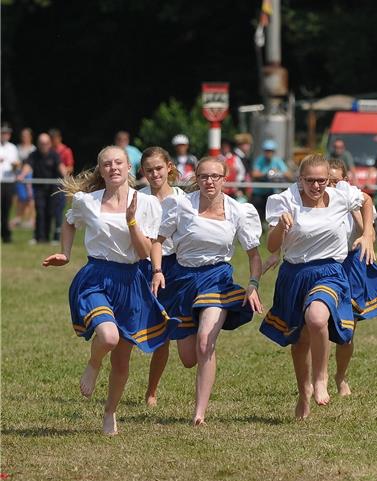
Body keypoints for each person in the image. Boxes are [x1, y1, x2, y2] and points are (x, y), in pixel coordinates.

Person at [42, 145, 177, 435]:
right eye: (107, 164)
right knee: (108, 336)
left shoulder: (148, 204)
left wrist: (131, 221)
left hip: (131, 280)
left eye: (119, 163)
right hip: (96, 276)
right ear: (101, 171)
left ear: (129, 168)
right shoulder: (86, 201)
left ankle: (109, 413)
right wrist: (65, 253)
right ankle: (93, 363)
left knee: (121, 359)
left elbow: (144, 251)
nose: (113, 167)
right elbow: (69, 223)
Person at [260, 154, 375, 419]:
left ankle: (322, 378)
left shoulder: (341, 195)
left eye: (321, 181)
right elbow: (272, 246)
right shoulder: (285, 200)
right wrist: (280, 226)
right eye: (310, 181)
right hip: (295, 274)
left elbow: (366, 200)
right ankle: (304, 394)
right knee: (300, 341)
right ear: (300, 180)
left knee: (316, 318)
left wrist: (367, 233)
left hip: (330, 271)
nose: (316, 186)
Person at [151, 156, 263, 426]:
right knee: (189, 359)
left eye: (215, 176)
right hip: (183, 279)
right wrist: (157, 271)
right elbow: (157, 241)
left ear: (225, 179)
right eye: (203, 176)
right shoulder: (179, 205)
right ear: (196, 179)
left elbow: (253, 255)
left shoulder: (239, 211)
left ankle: (199, 412)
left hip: (217, 278)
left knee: (205, 342)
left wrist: (253, 284)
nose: (209, 181)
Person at [328, 158, 377, 395]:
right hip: (326, 265)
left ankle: (341, 376)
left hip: (350, 265)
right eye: (327, 181)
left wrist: (351, 206)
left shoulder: (355, 199)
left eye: (336, 181)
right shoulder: (315, 200)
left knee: (347, 329)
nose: (331, 186)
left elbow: (369, 234)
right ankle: (318, 376)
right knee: (318, 324)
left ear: (345, 180)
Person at [138, 147, 186, 407]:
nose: (154, 174)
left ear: (168, 167)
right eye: (149, 170)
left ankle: (151, 391)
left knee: (164, 333)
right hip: (142, 266)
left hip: (174, 268)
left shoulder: (183, 200)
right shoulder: (138, 198)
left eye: (158, 168)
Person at [22, 133, 66, 244]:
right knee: (40, 211)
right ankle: (39, 237)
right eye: (42, 144)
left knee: (50, 212)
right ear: (38, 144)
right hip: (39, 188)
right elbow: (28, 166)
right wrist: (22, 175)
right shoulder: (33, 155)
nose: (44, 146)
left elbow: (61, 167)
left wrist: (67, 178)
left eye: (46, 143)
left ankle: (48, 236)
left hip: (52, 188)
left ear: (49, 144)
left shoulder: (54, 155)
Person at [251, 139, 290, 220]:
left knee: (272, 214)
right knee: (258, 215)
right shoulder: (260, 160)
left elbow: (288, 174)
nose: (268, 153)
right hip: (258, 193)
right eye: (267, 151)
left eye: (270, 151)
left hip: (271, 192)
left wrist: (278, 172)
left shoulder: (277, 160)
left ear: (273, 152)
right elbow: (254, 174)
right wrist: (267, 174)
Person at [49, 129, 74, 241]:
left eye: (54, 139)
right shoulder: (48, 150)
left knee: (59, 210)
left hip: (60, 183)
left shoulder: (65, 151)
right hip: (48, 183)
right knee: (48, 209)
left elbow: (70, 167)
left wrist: (60, 168)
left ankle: (57, 235)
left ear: (59, 138)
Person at [13, 127, 36, 230]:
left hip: (29, 175)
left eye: (26, 136)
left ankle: (31, 219)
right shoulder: (17, 148)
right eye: (23, 136)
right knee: (21, 197)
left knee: (30, 197)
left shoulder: (33, 149)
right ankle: (19, 217)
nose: (25, 138)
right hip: (19, 174)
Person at [0, 123, 20, 243]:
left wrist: (15, 166)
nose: (5, 135)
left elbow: (16, 165)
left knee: (6, 210)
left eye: (7, 133)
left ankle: (6, 235)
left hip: (8, 182)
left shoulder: (12, 148)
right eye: (3, 133)